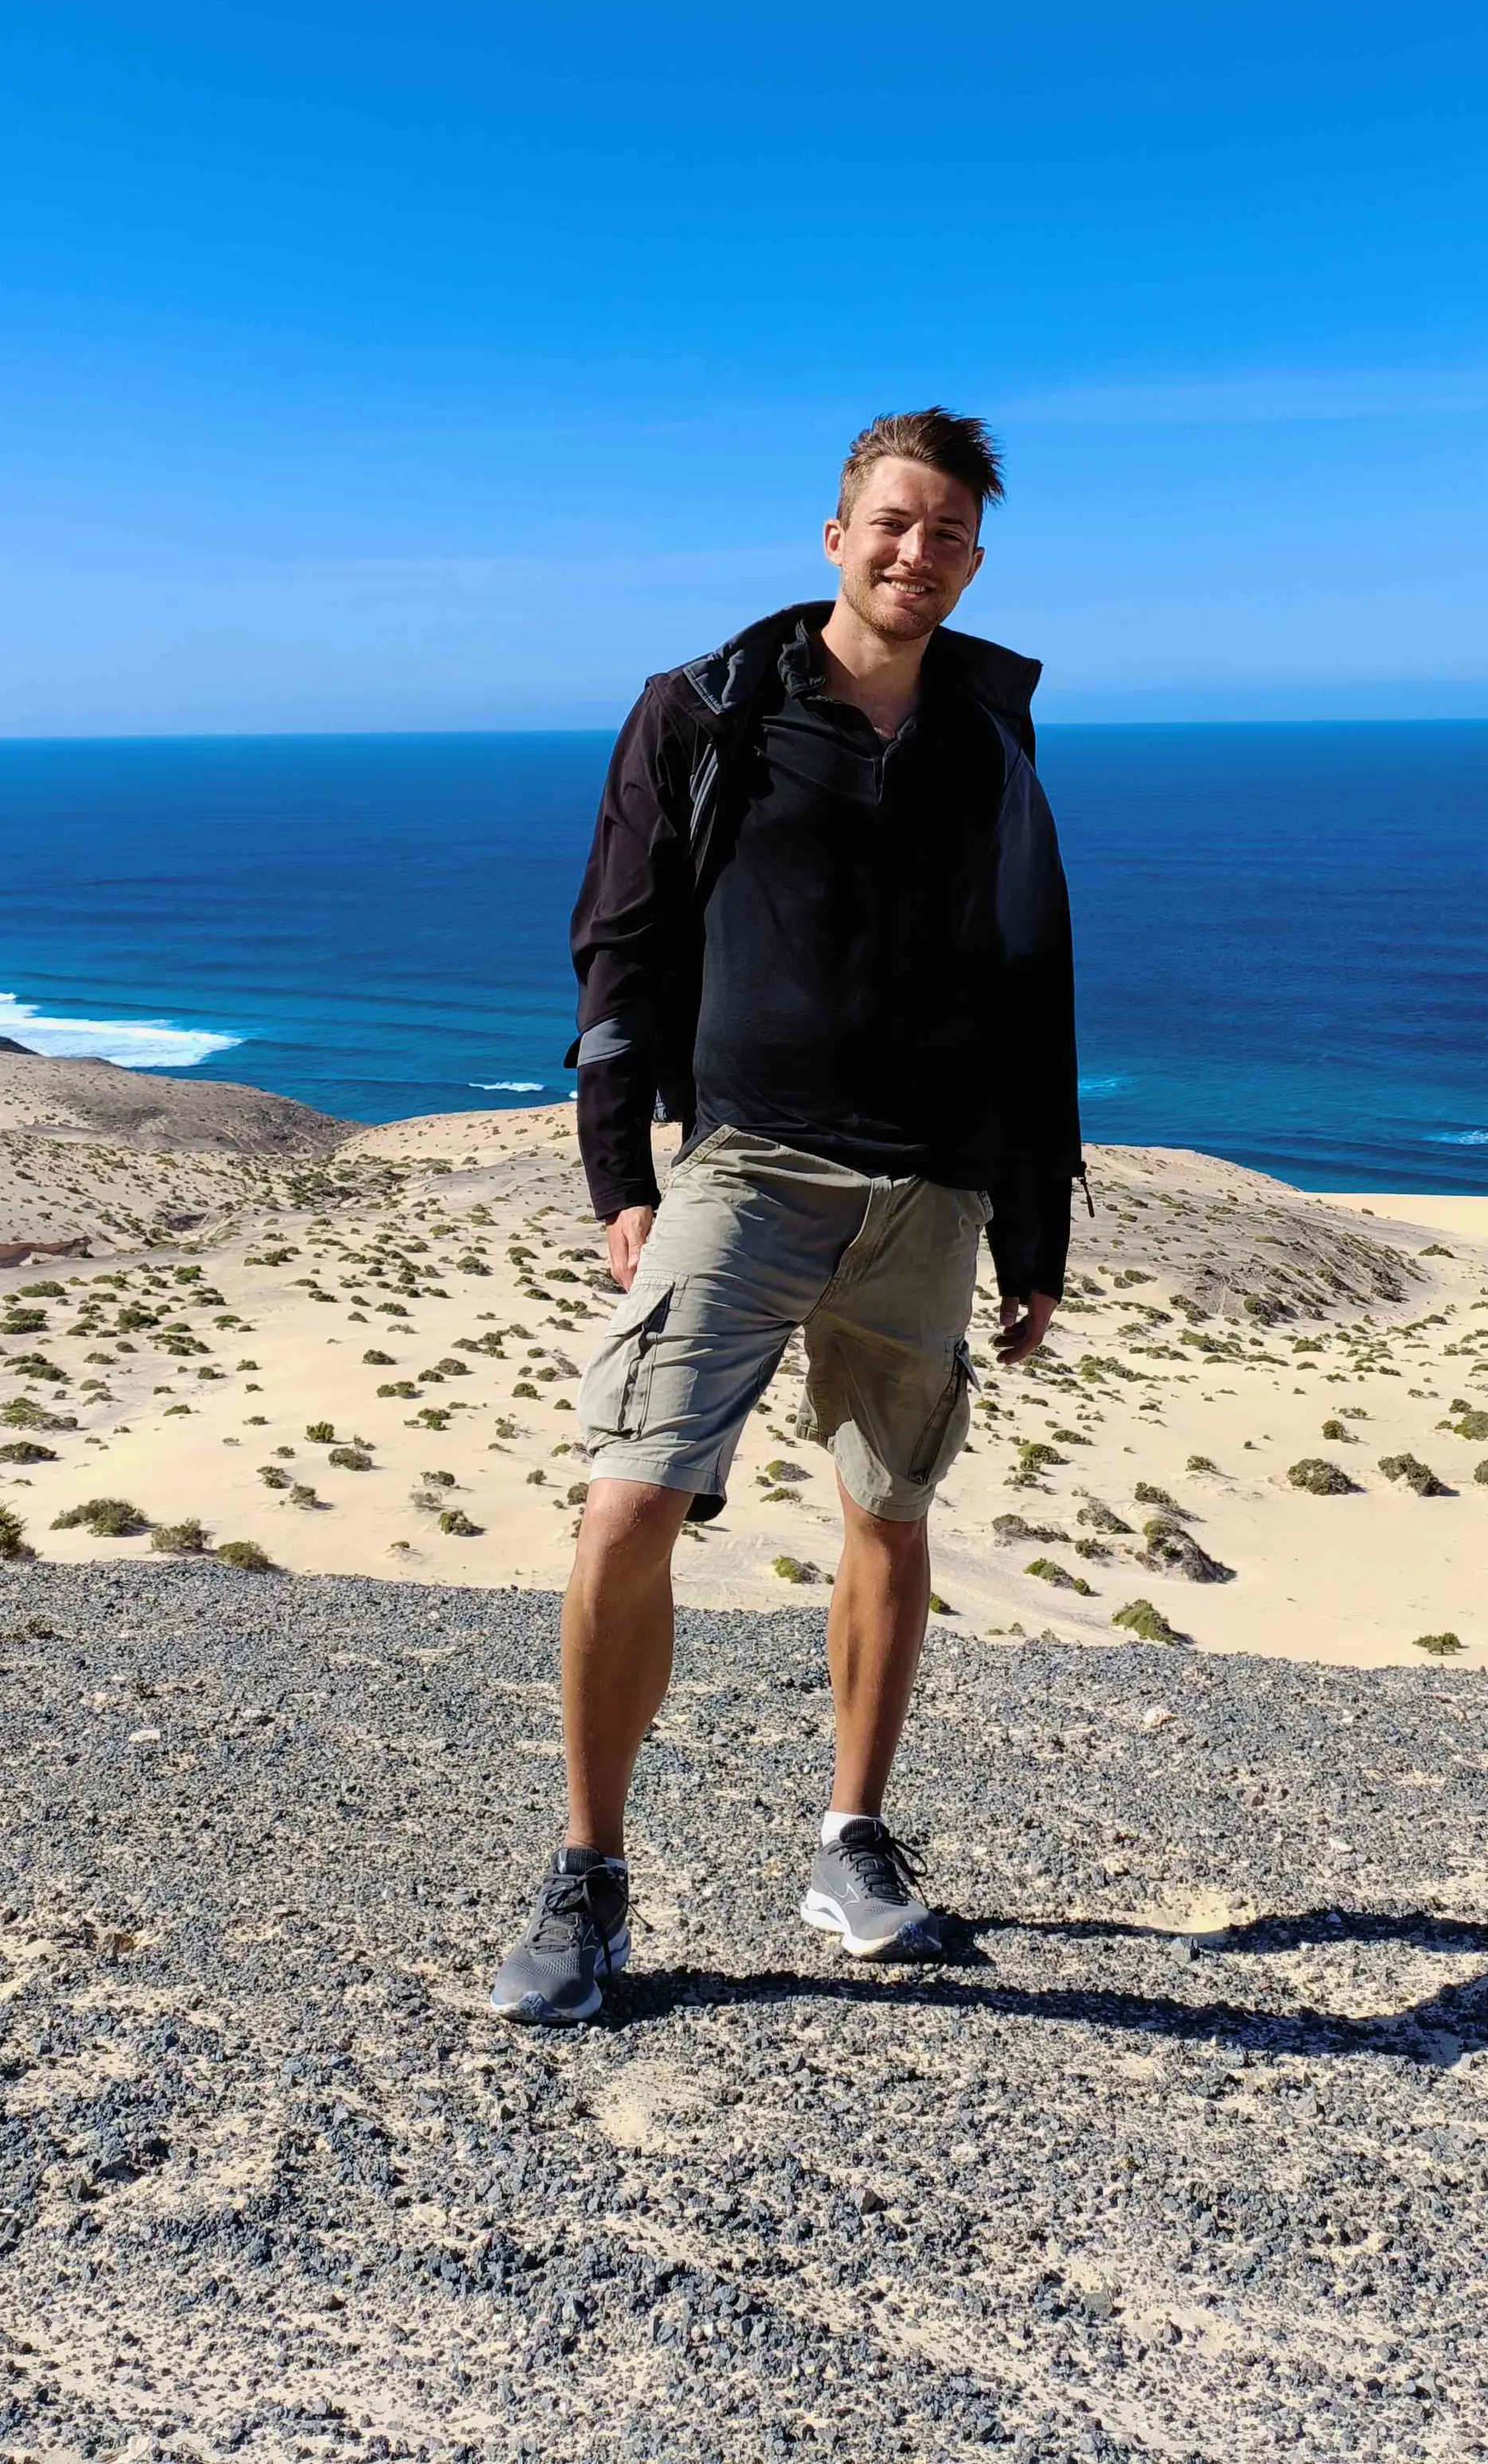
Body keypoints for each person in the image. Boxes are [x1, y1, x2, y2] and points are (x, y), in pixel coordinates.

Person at [492, 406, 1082, 2025]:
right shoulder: (707, 711)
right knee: (630, 1498)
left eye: (948, 533)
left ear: (974, 559)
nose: (917, 553)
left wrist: (1034, 1224)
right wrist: (621, 1176)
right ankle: (589, 1871)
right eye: (893, 522)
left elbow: (1031, 986)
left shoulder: (990, 738)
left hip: (932, 1185)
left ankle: (851, 1842)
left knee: (890, 1513)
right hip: (749, 1165)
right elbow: (620, 944)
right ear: (836, 536)